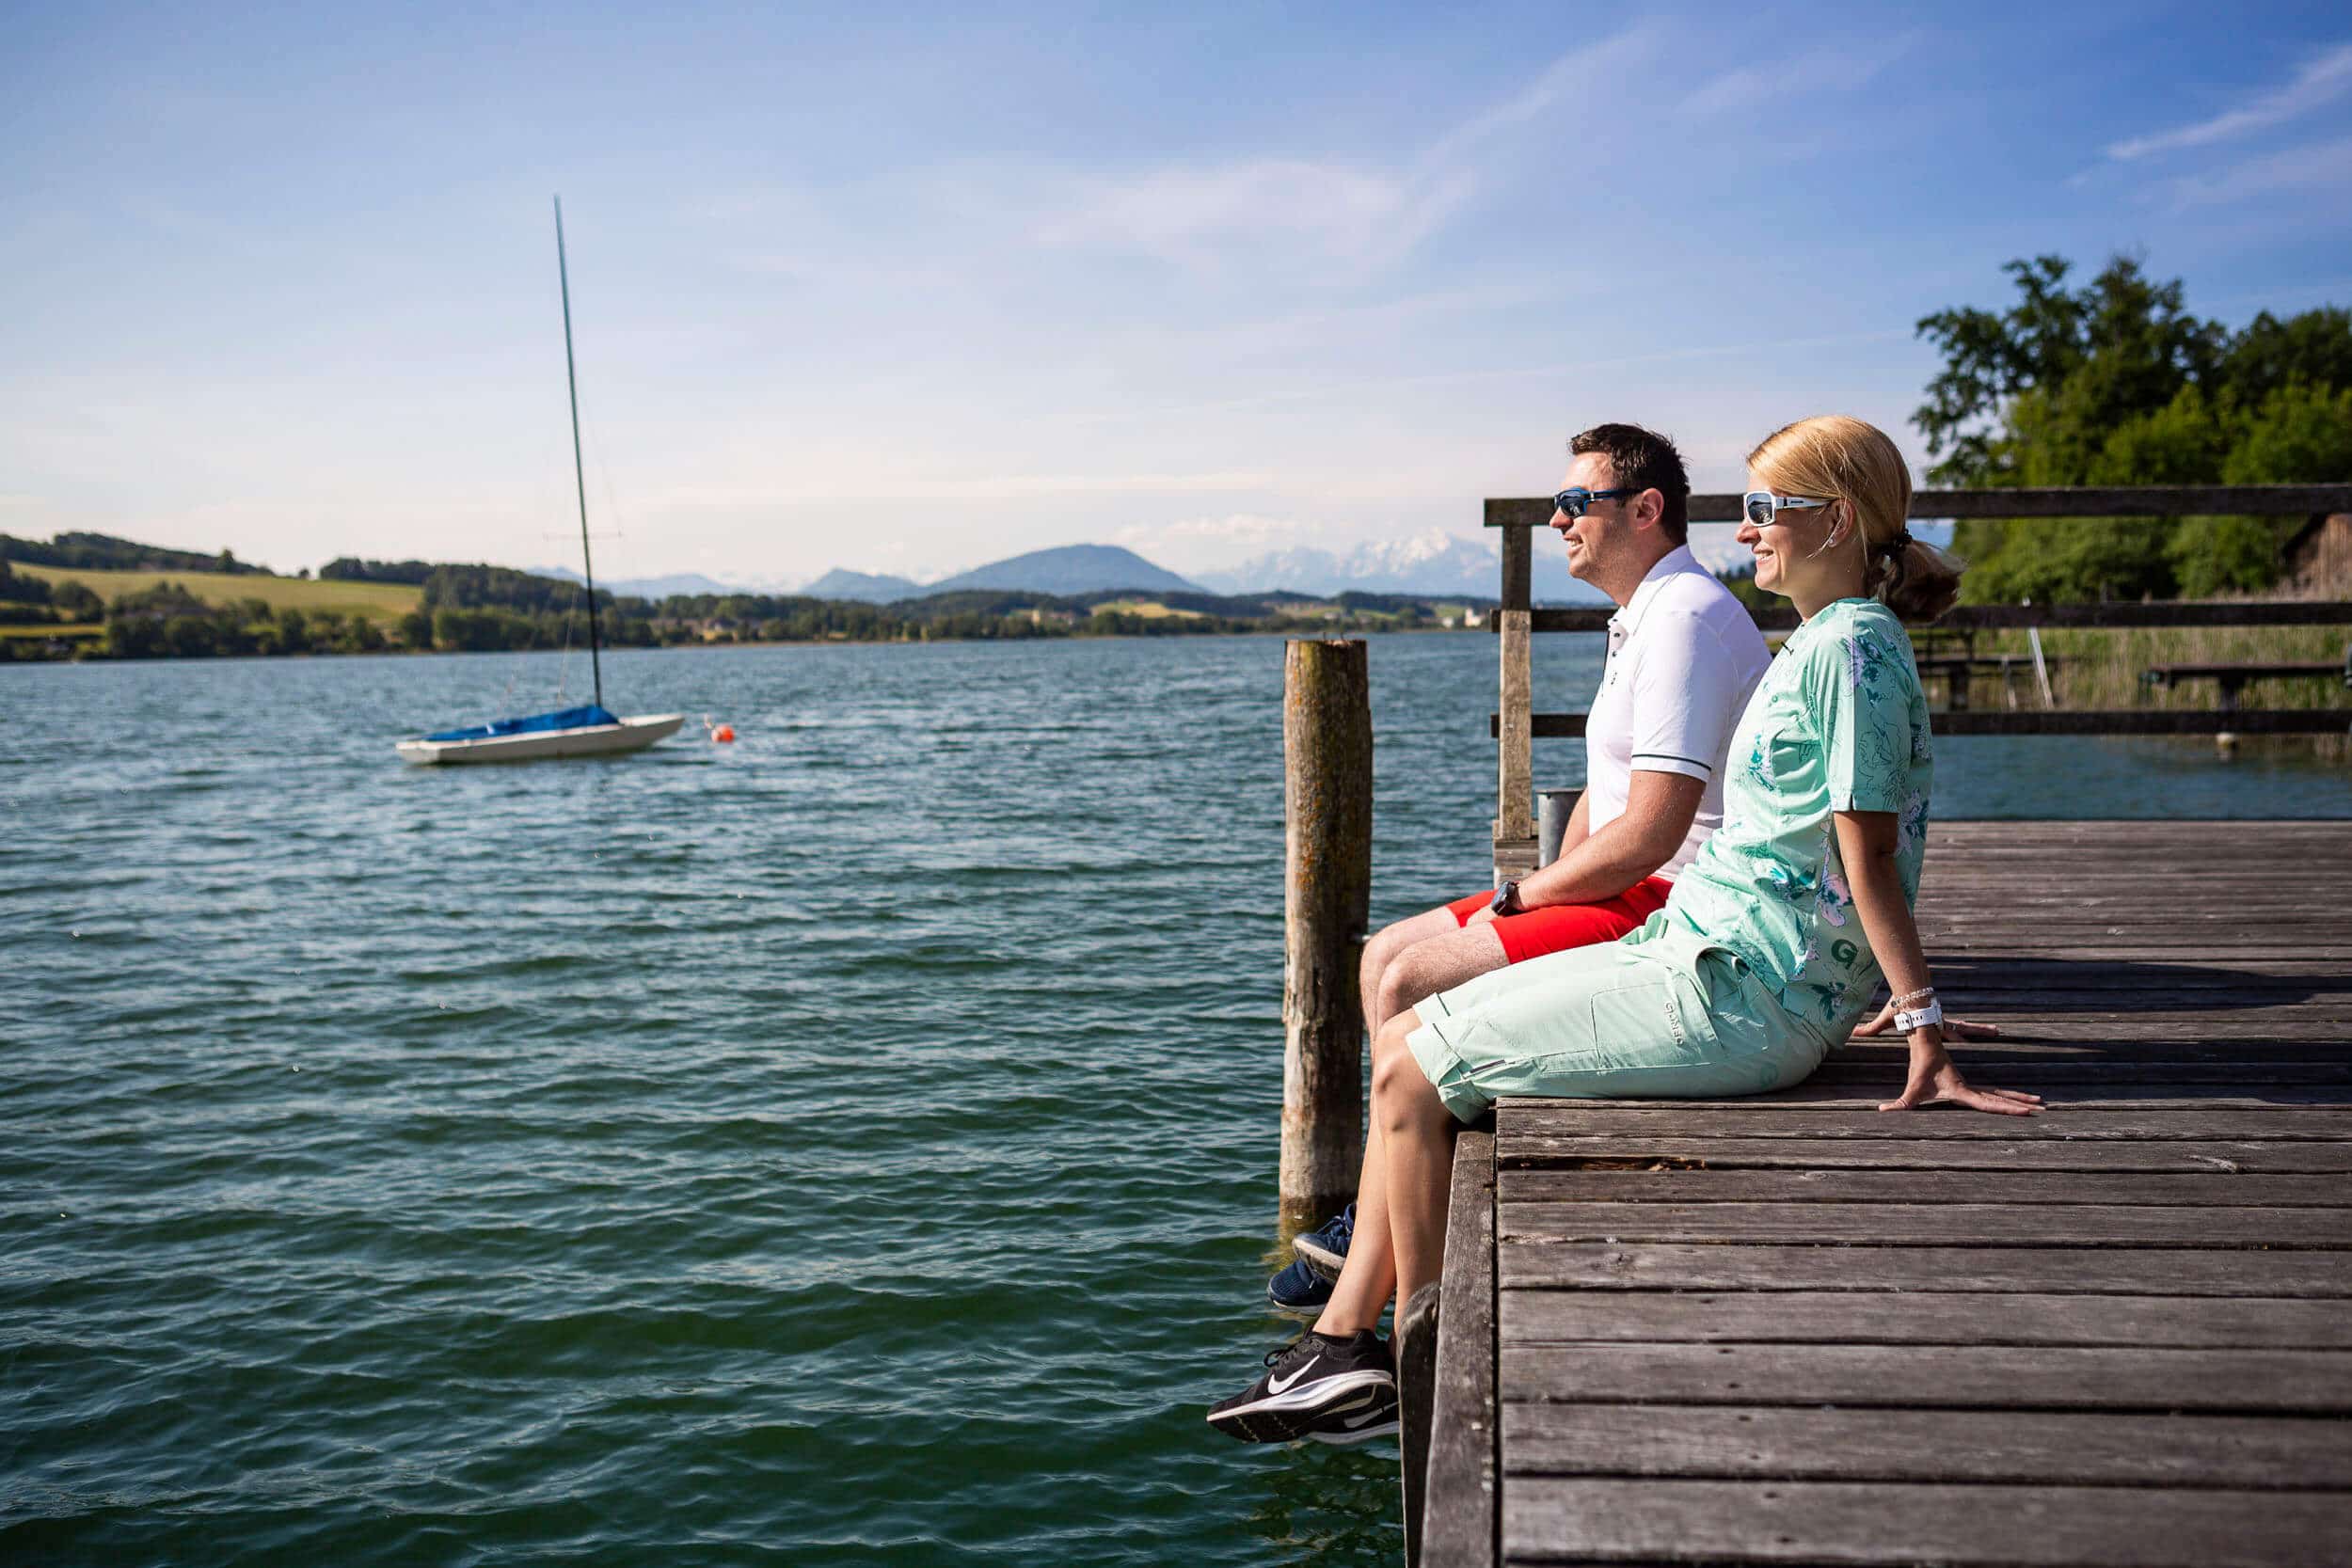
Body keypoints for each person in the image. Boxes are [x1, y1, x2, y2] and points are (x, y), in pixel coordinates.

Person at [1212, 415, 2037, 1446]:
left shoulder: (1850, 649)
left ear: (1834, 518)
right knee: (1409, 1029)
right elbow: (1836, 850)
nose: (1746, 534)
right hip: (1711, 956)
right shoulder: (1829, 640)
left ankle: (1396, 1361)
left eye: (1764, 510)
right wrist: (1867, 986)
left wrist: (1923, 1023)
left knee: (1411, 1069)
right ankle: (1357, 1342)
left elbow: (1871, 849)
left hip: (1738, 988)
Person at [1268, 423, 1773, 1317]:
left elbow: (1652, 834)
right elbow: (1605, 793)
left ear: (1646, 509)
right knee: (1380, 955)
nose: (1558, 518)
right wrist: (1535, 890)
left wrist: (1523, 897)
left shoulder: (1688, 619)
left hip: (1670, 908)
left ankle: (1379, 1269)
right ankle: (1376, 1207)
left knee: (1418, 978)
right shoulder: (1645, 616)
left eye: (1578, 502)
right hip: (1621, 884)